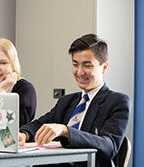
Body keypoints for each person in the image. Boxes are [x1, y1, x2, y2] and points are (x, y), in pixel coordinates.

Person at [19, 34, 131, 167]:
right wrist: (24, 134)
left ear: (104, 67)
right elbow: (40, 124)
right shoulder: (66, 101)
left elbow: (108, 146)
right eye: (75, 64)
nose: (80, 72)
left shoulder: (118, 101)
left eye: (87, 66)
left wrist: (67, 131)